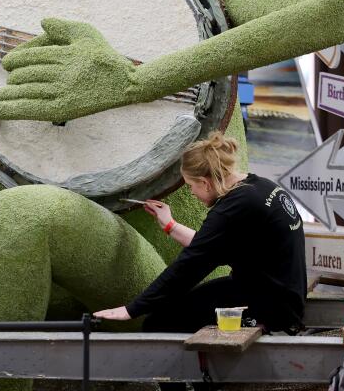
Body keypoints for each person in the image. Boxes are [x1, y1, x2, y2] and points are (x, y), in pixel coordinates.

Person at [94, 132, 306, 334]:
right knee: (177, 308)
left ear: (204, 182)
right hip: (282, 294)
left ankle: (200, 371)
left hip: (272, 310)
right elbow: (208, 246)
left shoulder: (232, 209)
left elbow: (189, 267)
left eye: (190, 185)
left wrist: (132, 309)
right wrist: (170, 225)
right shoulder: (259, 187)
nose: (192, 192)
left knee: (158, 322)